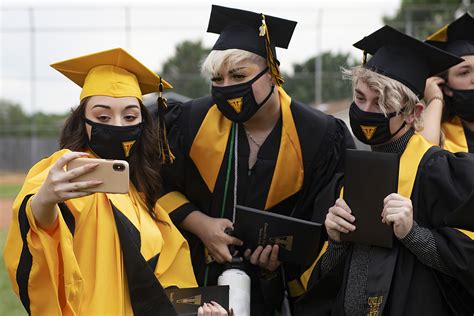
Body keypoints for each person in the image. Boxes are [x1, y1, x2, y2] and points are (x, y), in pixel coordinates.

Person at [158, 4, 355, 315]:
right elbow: (153, 184)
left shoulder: (318, 136)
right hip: (195, 283)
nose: (226, 88)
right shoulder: (190, 122)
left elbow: (325, 220)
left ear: (273, 73)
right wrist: (201, 225)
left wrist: (276, 263)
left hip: (277, 293)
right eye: (217, 78)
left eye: (238, 75)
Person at [3, 48, 228, 316]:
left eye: (130, 117)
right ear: (83, 121)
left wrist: (200, 311)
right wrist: (45, 201)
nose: (118, 125)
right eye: (103, 117)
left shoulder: (143, 198)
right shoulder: (67, 171)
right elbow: (39, 226)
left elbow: (169, 283)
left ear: (143, 123)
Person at [294, 26, 474, 315]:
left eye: (382, 103)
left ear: (414, 113)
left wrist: (414, 234)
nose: (366, 111)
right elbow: (320, 284)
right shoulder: (347, 176)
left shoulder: (440, 172)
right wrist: (337, 241)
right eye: (361, 98)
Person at [422, 12, 474, 152]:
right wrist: (435, 99)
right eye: (464, 72)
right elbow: (422, 159)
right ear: (446, 87)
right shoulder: (438, 134)